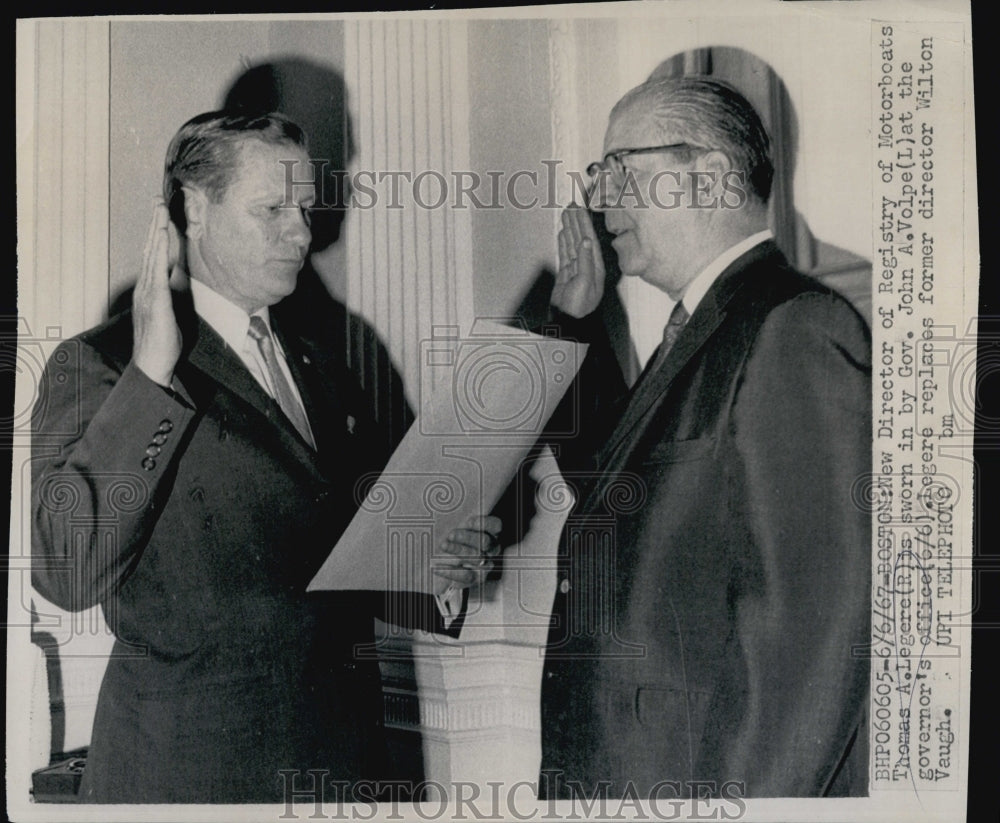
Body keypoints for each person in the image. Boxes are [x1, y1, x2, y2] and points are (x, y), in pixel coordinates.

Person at [31, 110, 500, 803]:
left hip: (344, 766)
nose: (303, 234)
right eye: (272, 209)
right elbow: (68, 569)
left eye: (307, 208)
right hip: (194, 776)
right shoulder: (104, 366)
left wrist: (434, 565)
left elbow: (339, 562)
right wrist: (152, 377)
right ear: (194, 207)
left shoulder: (323, 367)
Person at [539, 77, 871, 798]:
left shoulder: (793, 327)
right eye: (600, 176)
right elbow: (609, 485)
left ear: (713, 178)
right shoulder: (701, 329)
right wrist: (571, 322)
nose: (602, 200)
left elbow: (816, 637)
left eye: (622, 170)